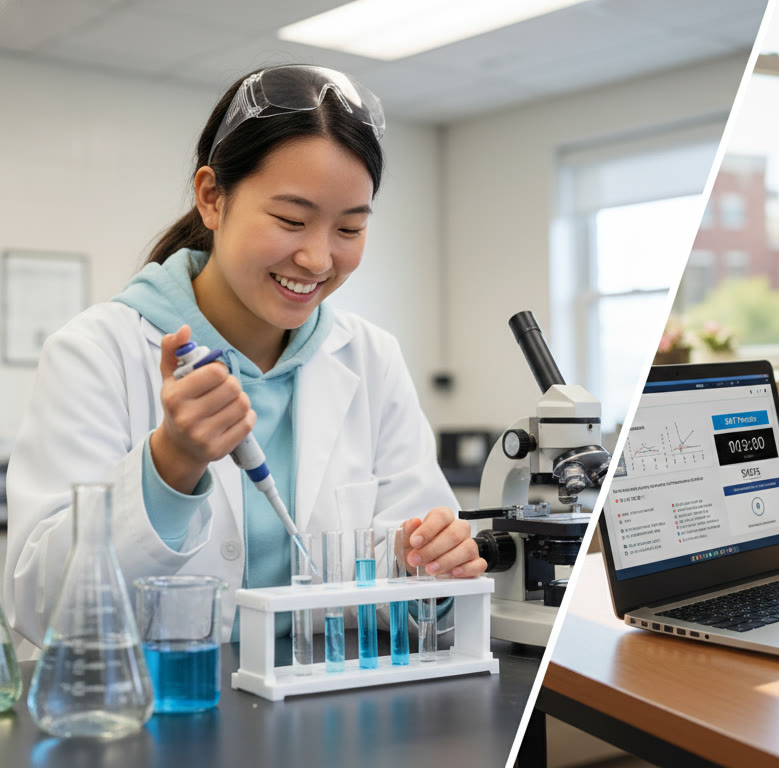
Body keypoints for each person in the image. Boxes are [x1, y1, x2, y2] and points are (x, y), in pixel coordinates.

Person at [3, 65, 484, 654]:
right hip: (160, 717)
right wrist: (170, 464)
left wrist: (432, 570)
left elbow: (421, 580)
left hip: (323, 710)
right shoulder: (97, 352)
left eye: (350, 228)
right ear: (212, 197)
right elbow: (38, 604)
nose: (316, 257)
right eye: (291, 220)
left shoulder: (371, 359)